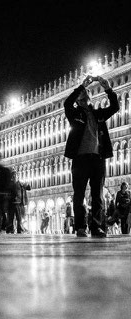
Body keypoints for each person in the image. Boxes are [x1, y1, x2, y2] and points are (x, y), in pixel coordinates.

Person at [64, 75, 119, 238]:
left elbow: (115, 106)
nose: (83, 96)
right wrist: (81, 86)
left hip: (97, 159)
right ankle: (80, 227)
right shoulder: (74, 115)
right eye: (81, 95)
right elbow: (67, 103)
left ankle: (96, 227)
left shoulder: (98, 114)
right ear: (78, 100)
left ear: (89, 98)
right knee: (79, 194)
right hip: (80, 159)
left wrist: (108, 88)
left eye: (85, 94)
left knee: (98, 195)